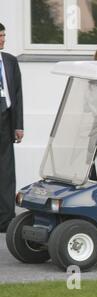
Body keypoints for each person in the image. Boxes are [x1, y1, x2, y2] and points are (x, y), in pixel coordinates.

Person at [0, 23, 23, 233]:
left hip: (6, 120)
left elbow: (17, 94)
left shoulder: (10, 61)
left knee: (6, 171)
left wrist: (19, 126)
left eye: (4, 35)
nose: (3, 39)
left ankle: (6, 219)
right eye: (0, 36)